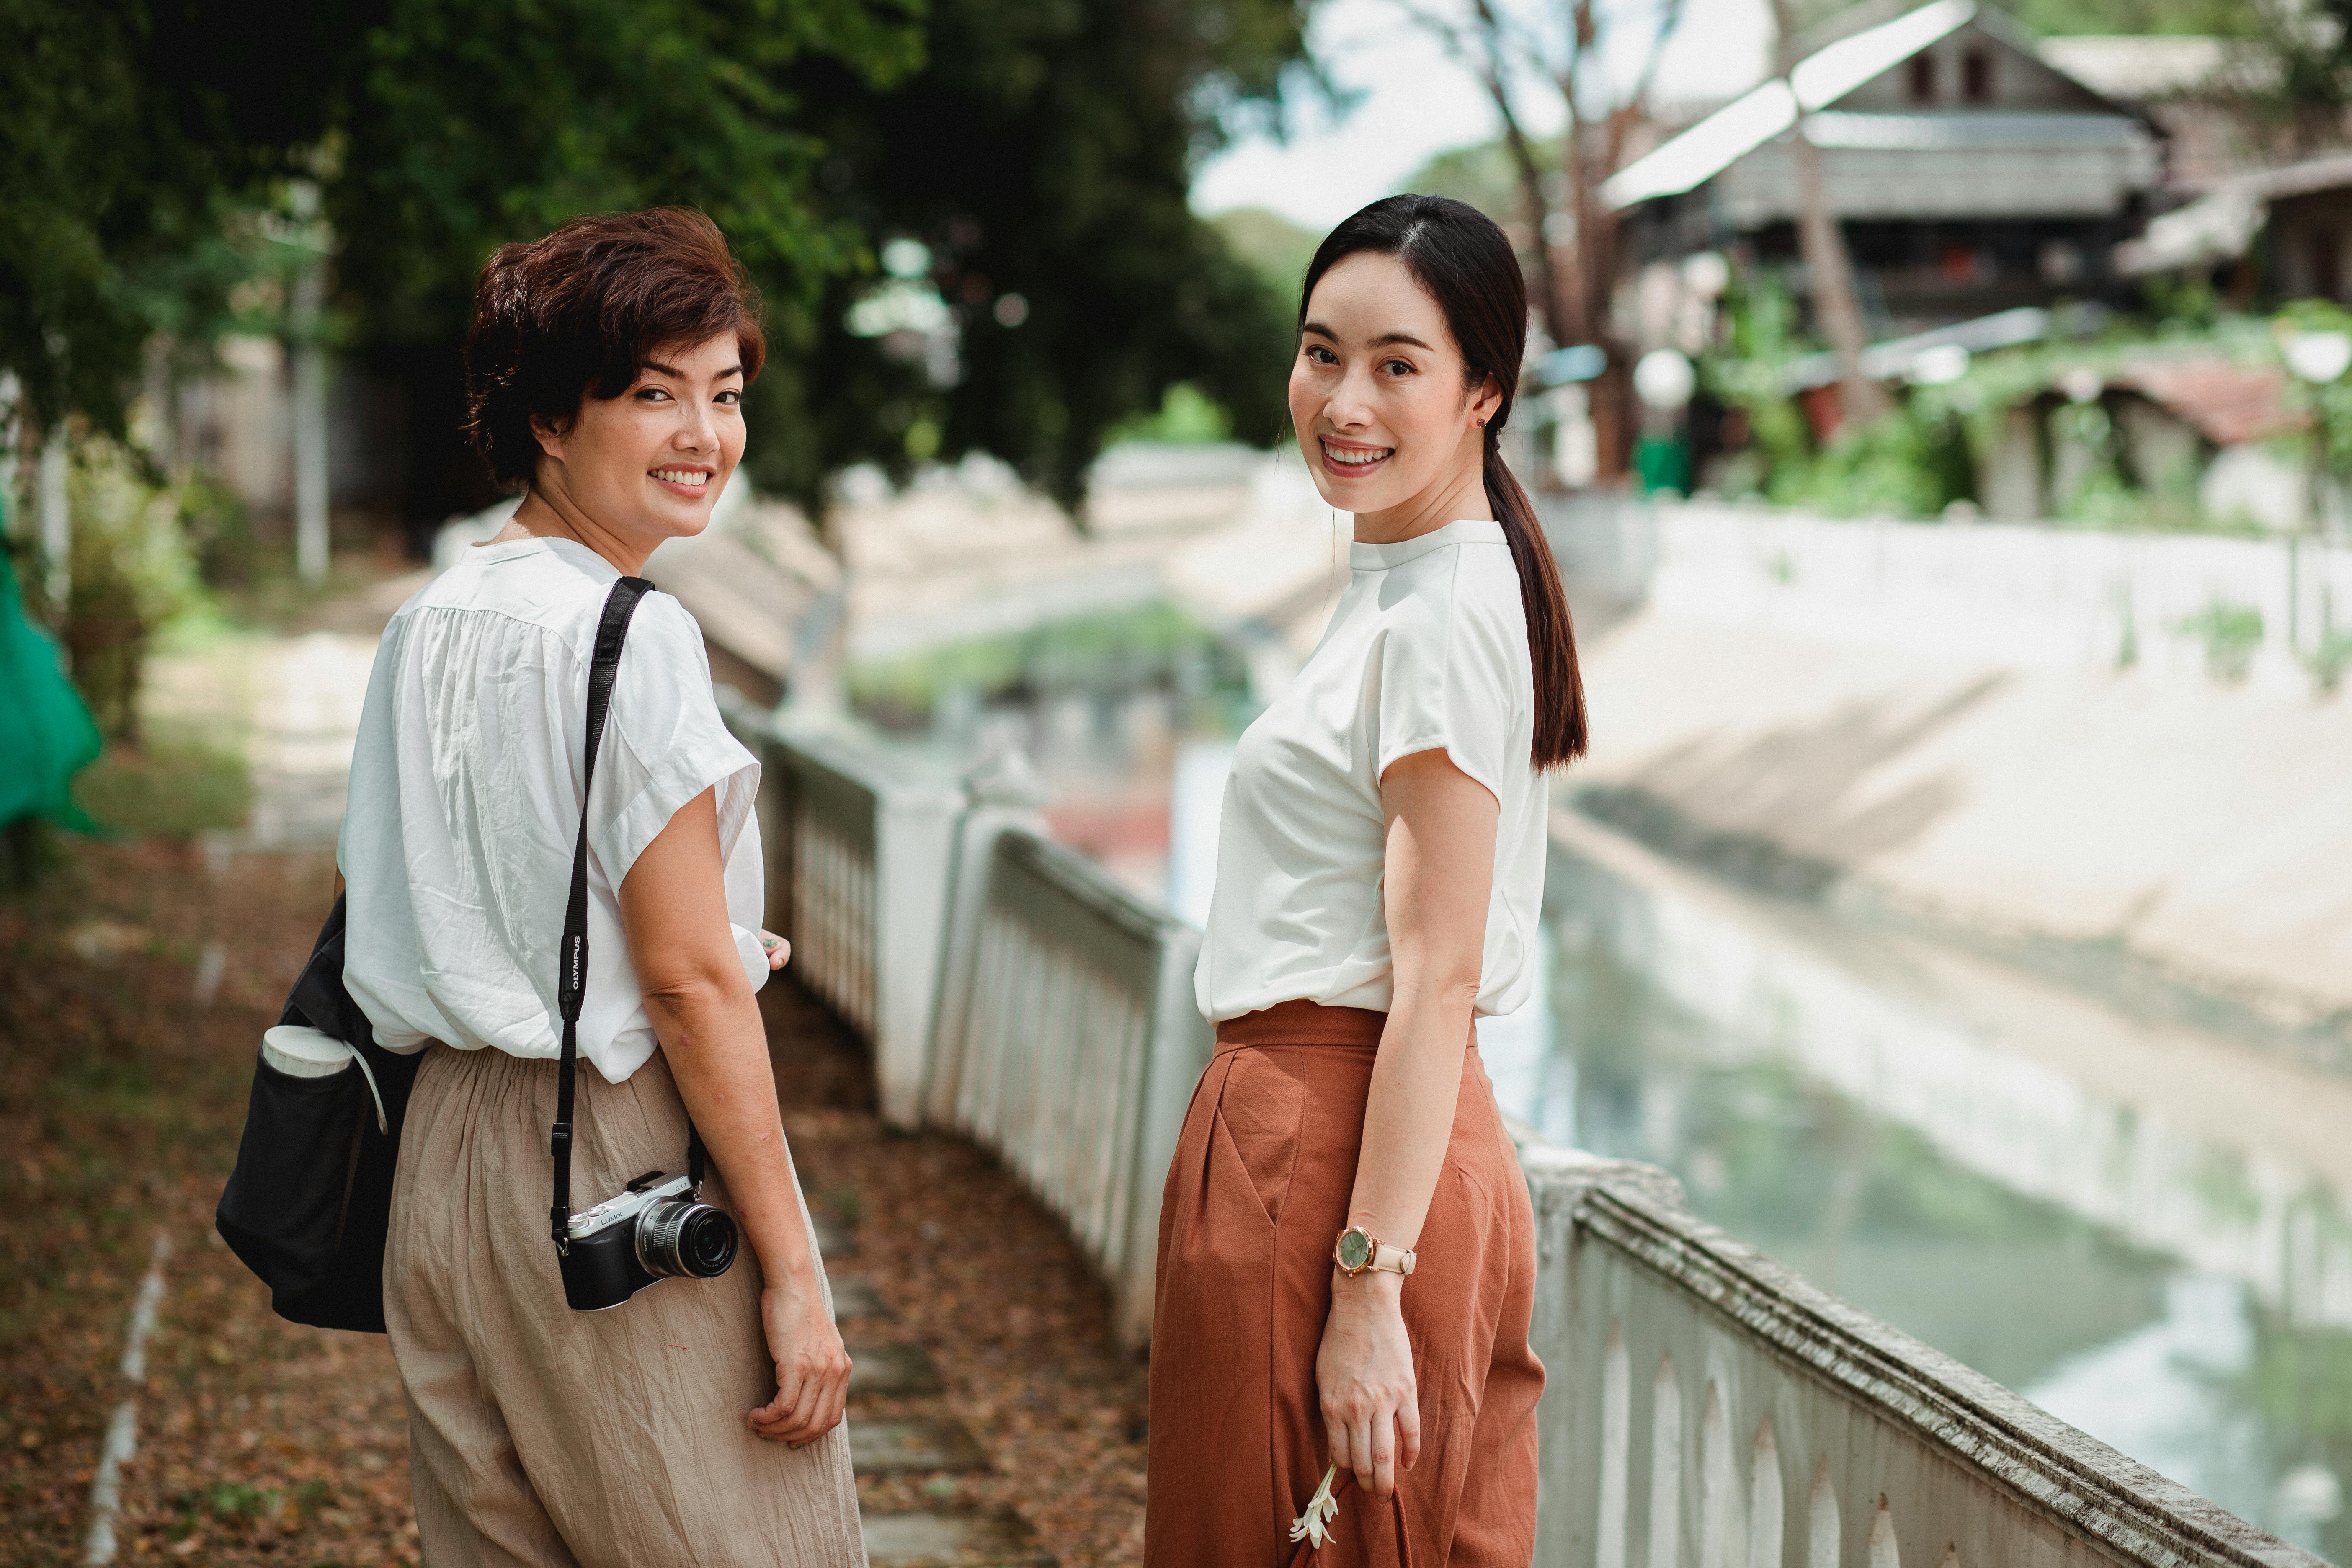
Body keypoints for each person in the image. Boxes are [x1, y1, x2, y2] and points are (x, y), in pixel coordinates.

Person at [339, 208, 864, 1565]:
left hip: (441, 1163)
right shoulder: (634, 635)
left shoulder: (430, 619)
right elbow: (687, 985)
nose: (705, 434)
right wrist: (795, 1272)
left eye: (726, 395)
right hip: (606, 1155)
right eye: (653, 394)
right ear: (551, 421)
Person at [1145, 194, 1586, 1566]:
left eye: (1399, 364)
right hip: (1331, 1144)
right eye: (1321, 351)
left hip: (1337, 1161)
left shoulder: (1442, 612)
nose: (1344, 399)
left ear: (1484, 394)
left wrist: (1367, 1283)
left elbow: (1439, 972)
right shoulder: (1407, 585)